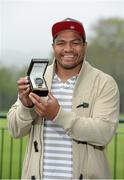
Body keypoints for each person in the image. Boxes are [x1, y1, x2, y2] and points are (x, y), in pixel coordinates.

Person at [7, 18, 120, 179]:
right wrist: (26, 107)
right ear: (53, 47)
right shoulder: (37, 78)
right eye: (61, 43)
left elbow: (104, 132)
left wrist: (58, 115)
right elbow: (14, 131)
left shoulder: (104, 83)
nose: (68, 49)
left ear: (85, 46)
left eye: (75, 42)